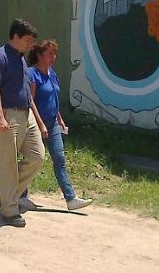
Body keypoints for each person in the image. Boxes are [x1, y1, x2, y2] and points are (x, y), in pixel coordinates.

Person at [0, 18, 46, 228]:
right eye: (28, 40)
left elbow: (26, 92)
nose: (31, 45)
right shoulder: (0, 57)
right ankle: (9, 210)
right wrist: (0, 116)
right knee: (7, 163)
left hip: (26, 113)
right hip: (8, 114)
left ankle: (6, 192)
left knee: (38, 156)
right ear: (16, 37)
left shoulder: (21, 59)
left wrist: (37, 120)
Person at [28, 40, 93, 211]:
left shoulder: (51, 73)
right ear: (40, 55)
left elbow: (54, 98)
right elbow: (30, 101)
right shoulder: (32, 73)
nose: (53, 57)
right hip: (36, 124)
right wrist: (40, 124)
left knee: (59, 158)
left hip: (53, 123)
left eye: (54, 54)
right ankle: (18, 192)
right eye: (50, 53)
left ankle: (71, 198)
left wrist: (59, 118)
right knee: (33, 159)